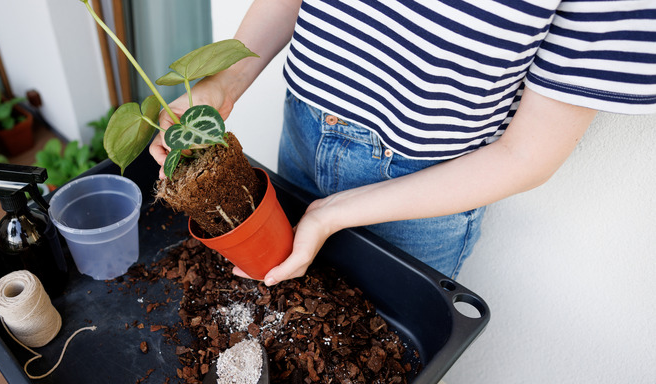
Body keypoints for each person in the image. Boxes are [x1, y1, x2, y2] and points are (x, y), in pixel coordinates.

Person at [149, 0, 656, 285]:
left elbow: (527, 156)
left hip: (424, 194)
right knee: (283, 293)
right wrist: (225, 84)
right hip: (303, 129)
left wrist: (329, 214)